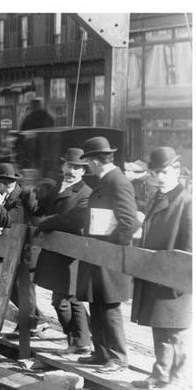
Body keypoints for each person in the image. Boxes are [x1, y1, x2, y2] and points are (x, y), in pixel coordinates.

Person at [76, 136, 141, 374]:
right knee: (97, 305)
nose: (88, 167)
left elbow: (129, 223)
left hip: (109, 258)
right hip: (97, 255)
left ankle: (117, 356)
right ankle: (101, 352)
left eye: (88, 162)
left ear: (94, 161)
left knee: (110, 308)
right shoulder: (107, 181)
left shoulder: (117, 182)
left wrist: (109, 250)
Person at [130, 147, 192, 390]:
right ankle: (160, 373)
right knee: (160, 326)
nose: (159, 177)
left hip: (176, 277)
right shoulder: (158, 196)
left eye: (164, 172)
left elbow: (189, 245)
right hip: (157, 272)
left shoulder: (187, 201)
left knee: (175, 330)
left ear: (176, 170)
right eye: (155, 173)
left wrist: (181, 281)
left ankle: (177, 380)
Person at [33, 148, 92, 353]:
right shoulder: (55, 187)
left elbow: (73, 220)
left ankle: (80, 341)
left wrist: (46, 222)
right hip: (53, 252)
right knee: (65, 300)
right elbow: (37, 209)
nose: (72, 171)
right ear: (62, 166)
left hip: (70, 255)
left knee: (65, 300)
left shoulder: (85, 193)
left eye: (77, 167)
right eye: (69, 165)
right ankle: (79, 340)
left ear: (83, 171)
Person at [0, 162, 49, 335]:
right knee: (11, 288)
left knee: (23, 287)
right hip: (15, 249)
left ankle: (36, 321)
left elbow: (9, 221)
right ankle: (34, 320)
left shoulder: (22, 197)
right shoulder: (6, 196)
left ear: (1, 182)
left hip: (28, 249)